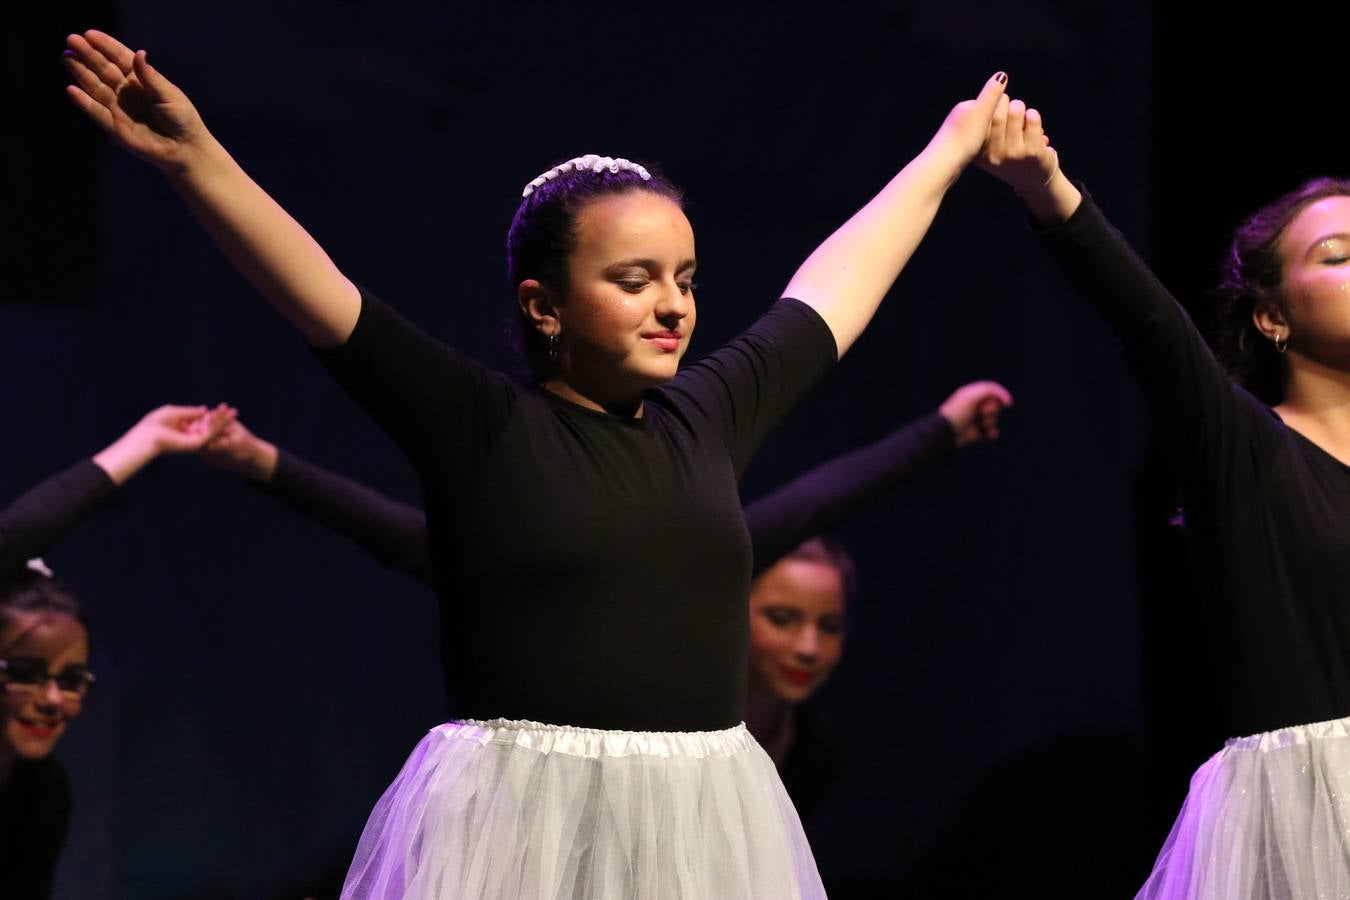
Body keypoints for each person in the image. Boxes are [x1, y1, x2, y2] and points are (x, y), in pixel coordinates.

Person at [63, 28, 1008, 897]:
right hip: (518, 825)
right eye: (633, 281)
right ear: (544, 305)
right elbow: (323, 295)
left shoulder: (709, 412)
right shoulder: (483, 425)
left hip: (702, 826)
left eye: (684, 280)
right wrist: (197, 160)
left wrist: (947, 153)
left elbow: (835, 284)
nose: (672, 305)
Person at [977, 93, 1350, 898]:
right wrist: (1048, 186)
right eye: (1339, 253)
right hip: (1313, 825)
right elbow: (1151, 325)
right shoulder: (1246, 448)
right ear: (1273, 315)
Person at [0, 404, 231, 899]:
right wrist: (143, 444)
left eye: (71, 680)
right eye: (25, 672)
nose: (52, 700)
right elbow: (14, 535)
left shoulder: (42, 790)